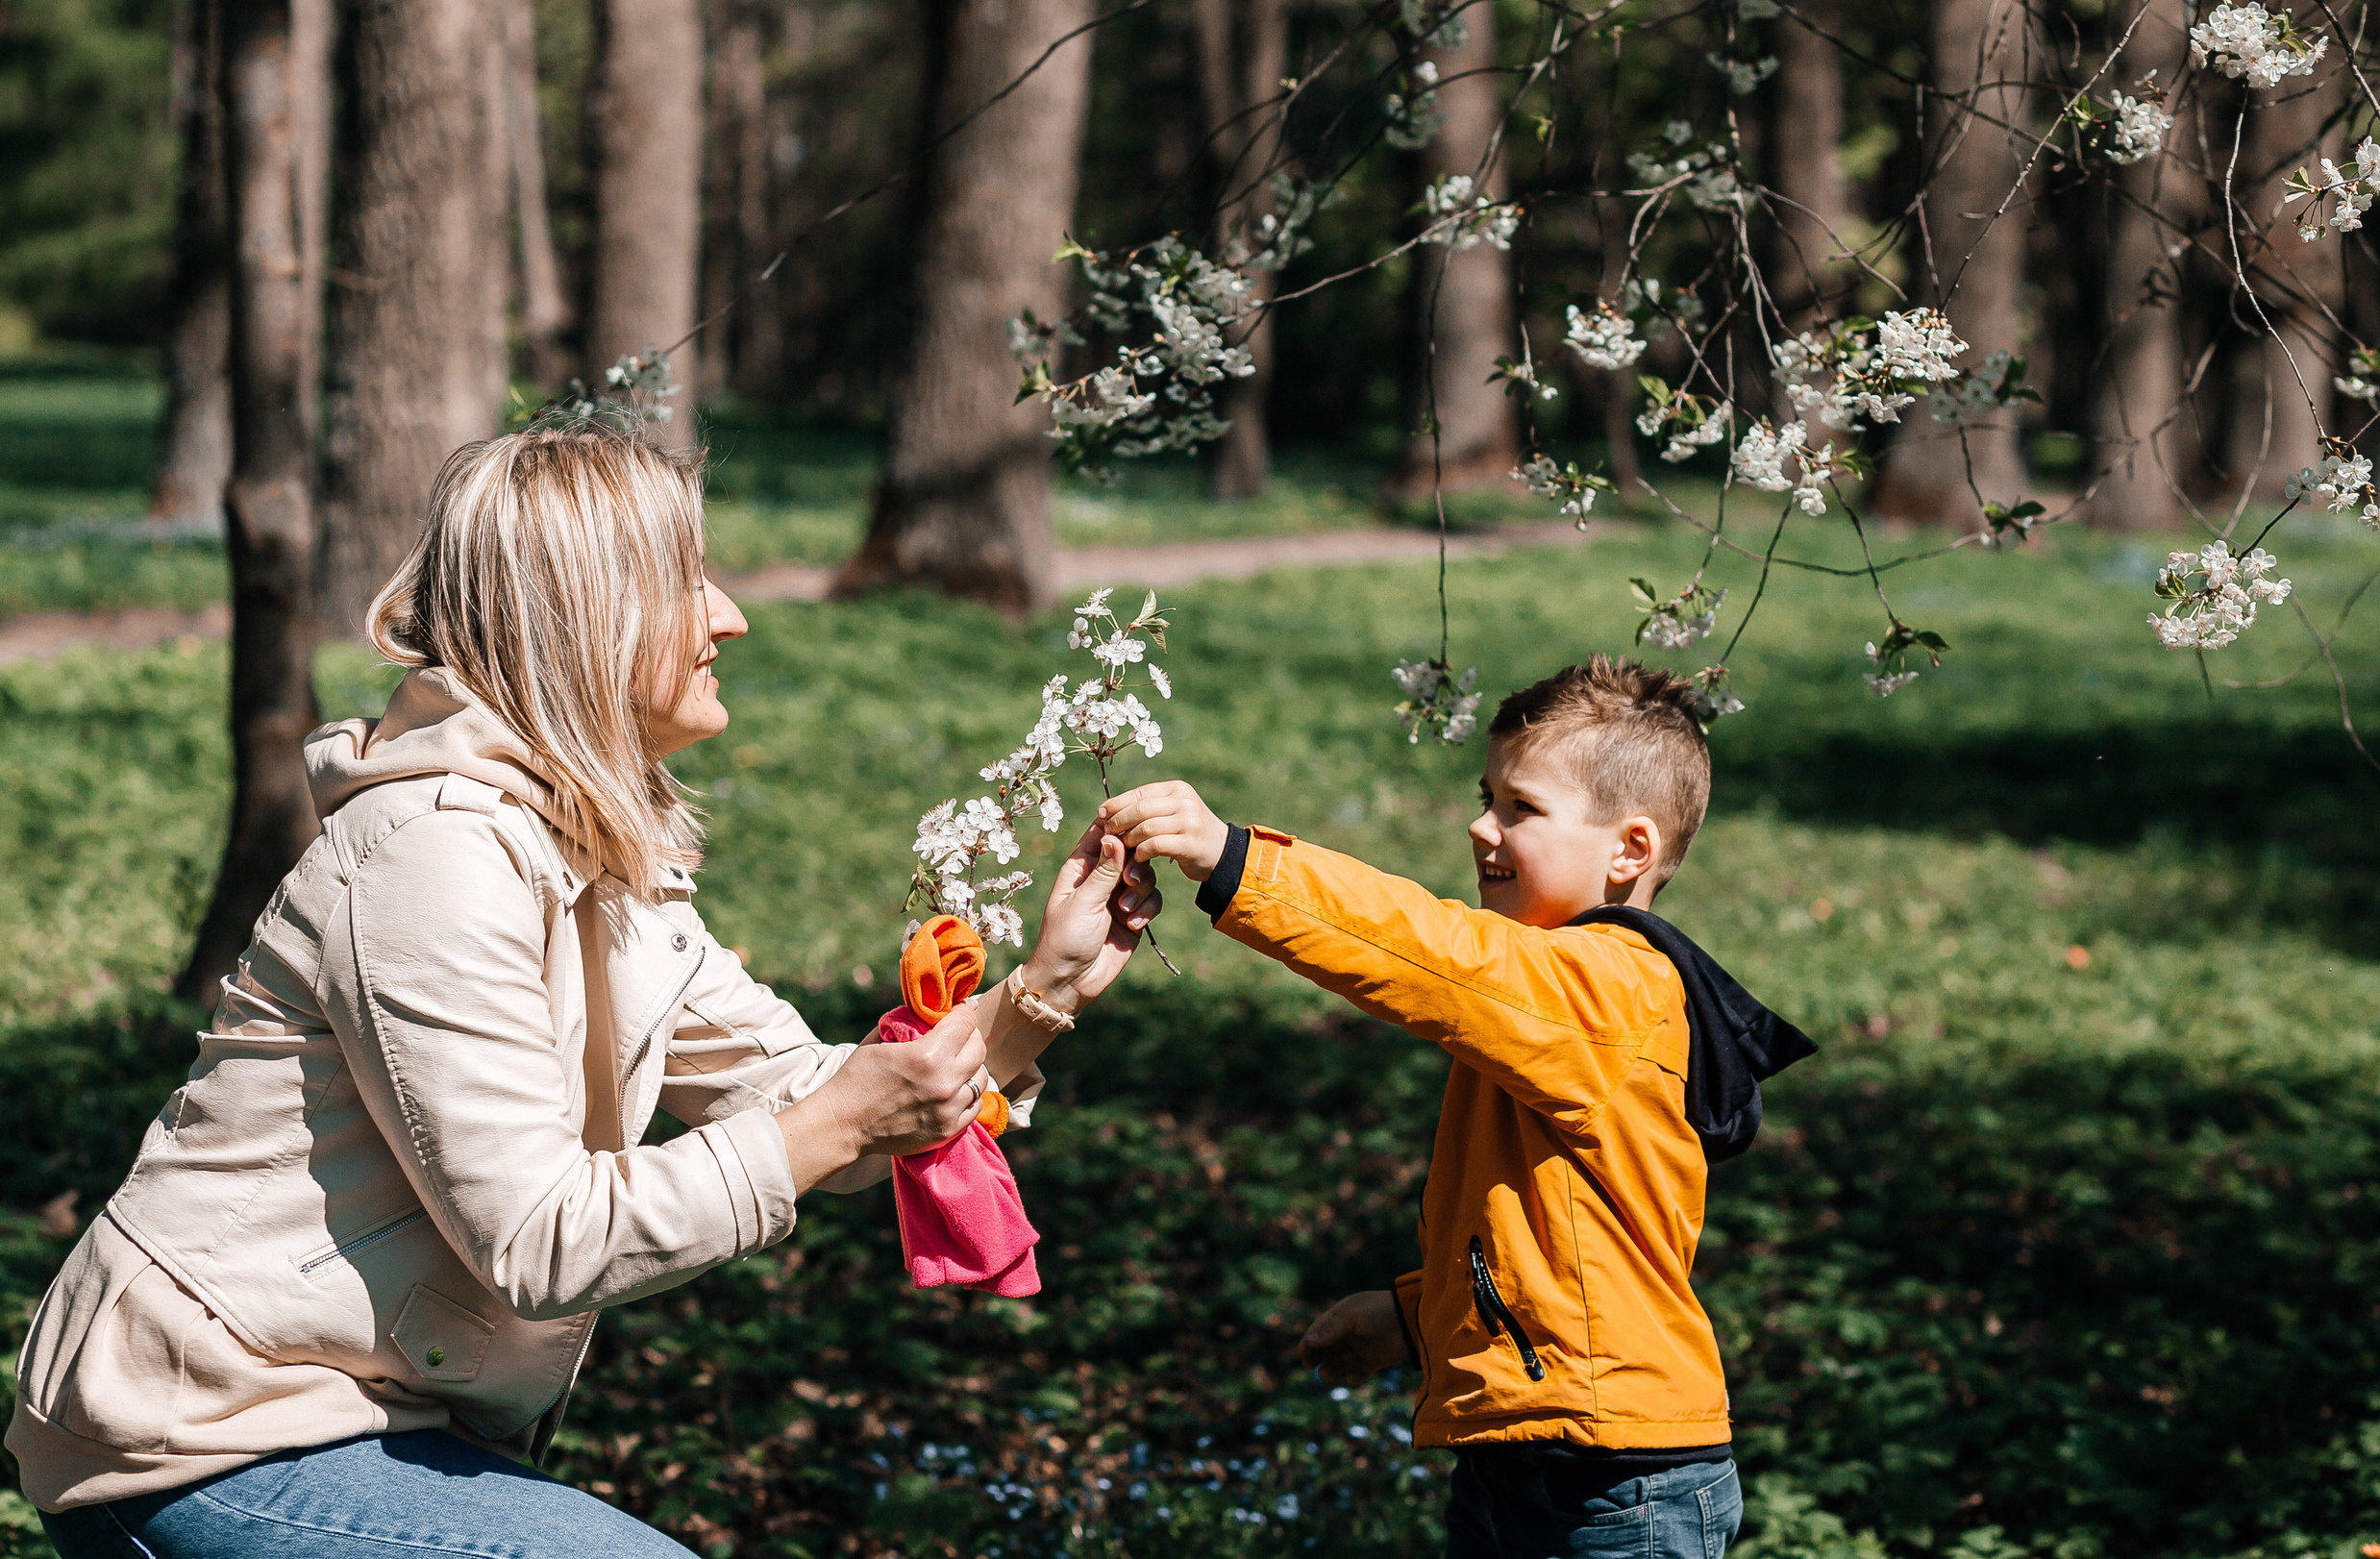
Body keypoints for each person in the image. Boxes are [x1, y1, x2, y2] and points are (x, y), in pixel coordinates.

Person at [9, 426, 1160, 1557]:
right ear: (586, 620)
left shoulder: (595, 853)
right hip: (204, 1430)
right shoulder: (433, 852)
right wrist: (839, 1117)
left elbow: (830, 1110)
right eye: (688, 583)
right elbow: (546, 1236)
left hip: (368, 1415)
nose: (731, 615)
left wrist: (1040, 994)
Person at [1098, 656, 1815, 1559]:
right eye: (1488, 796)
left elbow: (1429, 954)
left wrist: (1238, 863)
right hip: (1527, 1458)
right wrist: (1415, 1313)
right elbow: (1558, 1236)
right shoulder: (1552, 1000)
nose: (1482, 828)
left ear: (1630, 849)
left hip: (1614, 1482)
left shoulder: (1606, 987)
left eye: (1521, 807)